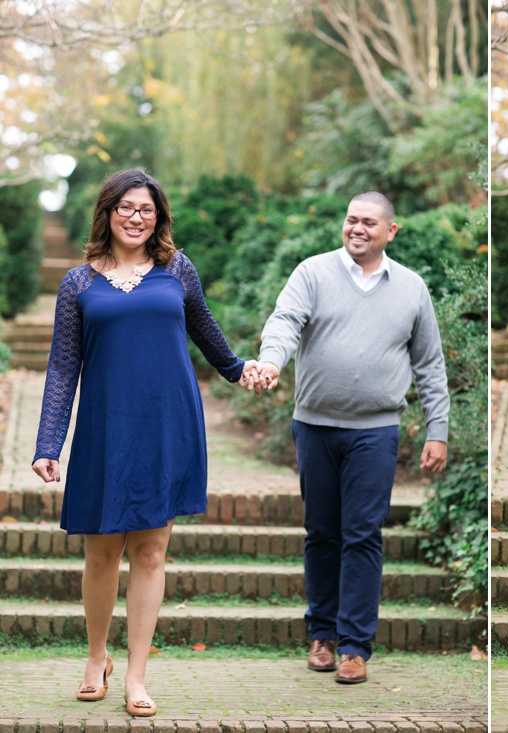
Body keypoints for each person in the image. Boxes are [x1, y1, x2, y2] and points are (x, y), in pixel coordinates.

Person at [31, 169, 260, 717]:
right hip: (106, 426)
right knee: (102, 550)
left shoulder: (177, 269)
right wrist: (47, 443)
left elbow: (204, 329)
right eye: (126, 207)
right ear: (107, 212)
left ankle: (136, 674)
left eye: (147, 209)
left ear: (158, 216)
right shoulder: (79, 283)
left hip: (168, 423)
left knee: (152, 551)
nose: (137, 217)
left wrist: (239, 369)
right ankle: (95, 658)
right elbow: (64, 368)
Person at [252, 191, 449, 684]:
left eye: (368, 222)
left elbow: (429, 364)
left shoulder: (410, 287)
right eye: (351, 220)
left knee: (363, 535)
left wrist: (437, 430)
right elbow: (285, 322)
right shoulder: (313, 273)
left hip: (376, 432)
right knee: (322, 533)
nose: (357, 228)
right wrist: (272, 361)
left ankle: (355, 647)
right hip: (314, 426)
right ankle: (322, 635)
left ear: (391, 231)